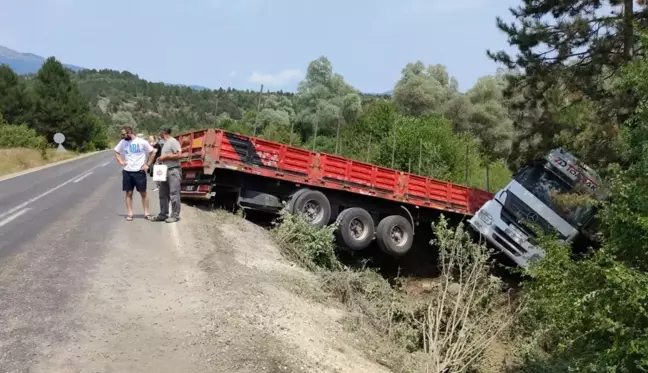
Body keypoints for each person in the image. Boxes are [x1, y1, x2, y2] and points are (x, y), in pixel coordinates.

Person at [114, 125, 157, 221]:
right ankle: (130, 213)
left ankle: (146, 213)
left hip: (139, 171)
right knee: (128, 193)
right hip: (127, 172)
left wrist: (148, 164)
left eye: (123, 134)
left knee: (143, 193)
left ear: (129, 133)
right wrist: (121, 161)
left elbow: (152, 152)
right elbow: (116, 151)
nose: (122, 136)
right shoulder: (123, 142)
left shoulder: (142, 142)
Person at [150, 127, 183, 223]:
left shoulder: (173, 141)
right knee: (163, 194)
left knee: (174, 193)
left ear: (163, 132)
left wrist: (166, 156)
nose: (158, 134)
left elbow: (179, 155)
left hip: (173, 171)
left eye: (159, 132)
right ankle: (163, 214)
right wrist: (160, 159)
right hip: (164, 171)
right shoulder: (164, 143)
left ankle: (175, 215)